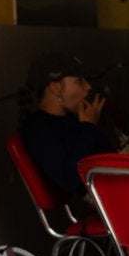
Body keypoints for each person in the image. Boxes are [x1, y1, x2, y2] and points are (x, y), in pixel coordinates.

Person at [20, 52, 115, 199]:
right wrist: (89, 128)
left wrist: (93, 126)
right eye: (79, 81)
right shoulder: (37, 129)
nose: (88, 87)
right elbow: (69, 179)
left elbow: (110, 156)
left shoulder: (73, 119)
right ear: (56, 88)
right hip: (102, 201)